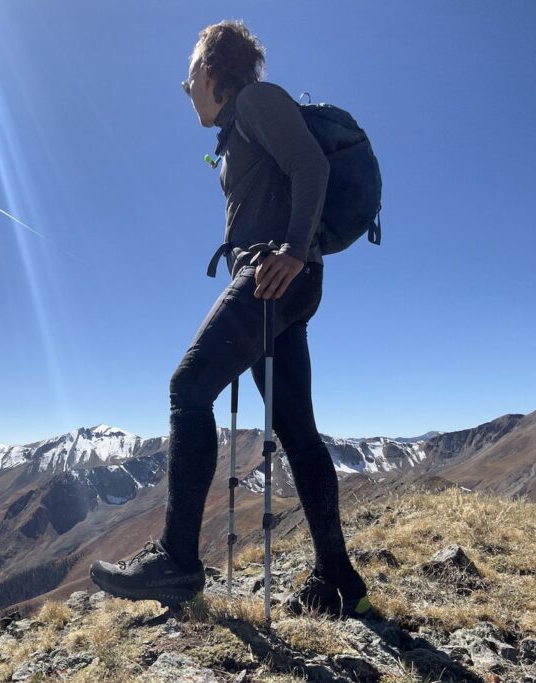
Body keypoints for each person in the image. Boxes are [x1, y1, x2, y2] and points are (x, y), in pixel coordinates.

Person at [89, 20, 369, 617]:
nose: (185, 86)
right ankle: (336, 574)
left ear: (211, 71)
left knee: (187, 388)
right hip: (285, 282)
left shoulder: (259, 101)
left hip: (274, 275)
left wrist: (294, 251)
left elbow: (311, 168)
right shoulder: (240, 122)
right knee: (296, 428)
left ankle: (177, 561)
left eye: (189, 74)